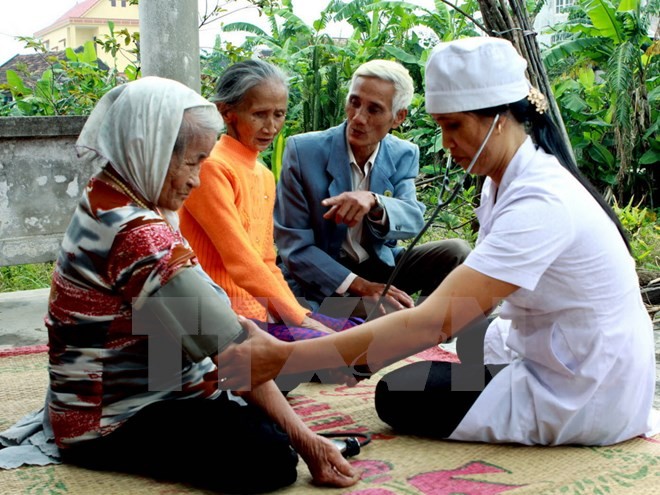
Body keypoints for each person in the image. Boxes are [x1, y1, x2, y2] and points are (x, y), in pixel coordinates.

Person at [216, 37, 657, 446]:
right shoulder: (504, 178)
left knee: (397, 392)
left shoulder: (541, 201)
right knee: (417, 349)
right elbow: (292, 247)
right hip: (546, 342)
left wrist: (289, 358)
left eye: (453, 127)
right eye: (440, 127)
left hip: (583, 382)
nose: (446, 144)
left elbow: (435, 319)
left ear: (500, 121)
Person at [46, 76, 359, 493]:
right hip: (110, 420)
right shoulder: (139, 234)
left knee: (276, 372)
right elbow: (231, 350)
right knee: (269, 458)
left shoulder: (107, 193)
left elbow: (217, 338)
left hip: (107, 394)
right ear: (152, 152)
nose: (196, 180)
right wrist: (306, 442)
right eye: (193, 162)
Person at [274, 59, 471, 319]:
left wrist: (376, 203)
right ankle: (402, 327)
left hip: (378, 267)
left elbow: (412, 218)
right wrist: (361, 286)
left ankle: (429, 329)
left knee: (456, 252)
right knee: (385, 314)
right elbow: (294, 248)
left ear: (398, 117)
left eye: (374, 109)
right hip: (323, 282)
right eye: (354, 102)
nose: (358, 118)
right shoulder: (303, 151)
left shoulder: (403, 153)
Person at [179, 60, 359, 342]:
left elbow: (266, 260)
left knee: (358, 332)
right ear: (227, 113)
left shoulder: (262, 174)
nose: (271, 126)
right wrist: (300, 320)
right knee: (337, 348)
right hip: (224, 314)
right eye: (259, 114)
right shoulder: (212, 166)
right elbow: (241, 261)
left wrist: (301, 315)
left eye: (279, 114)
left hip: (261, 311)